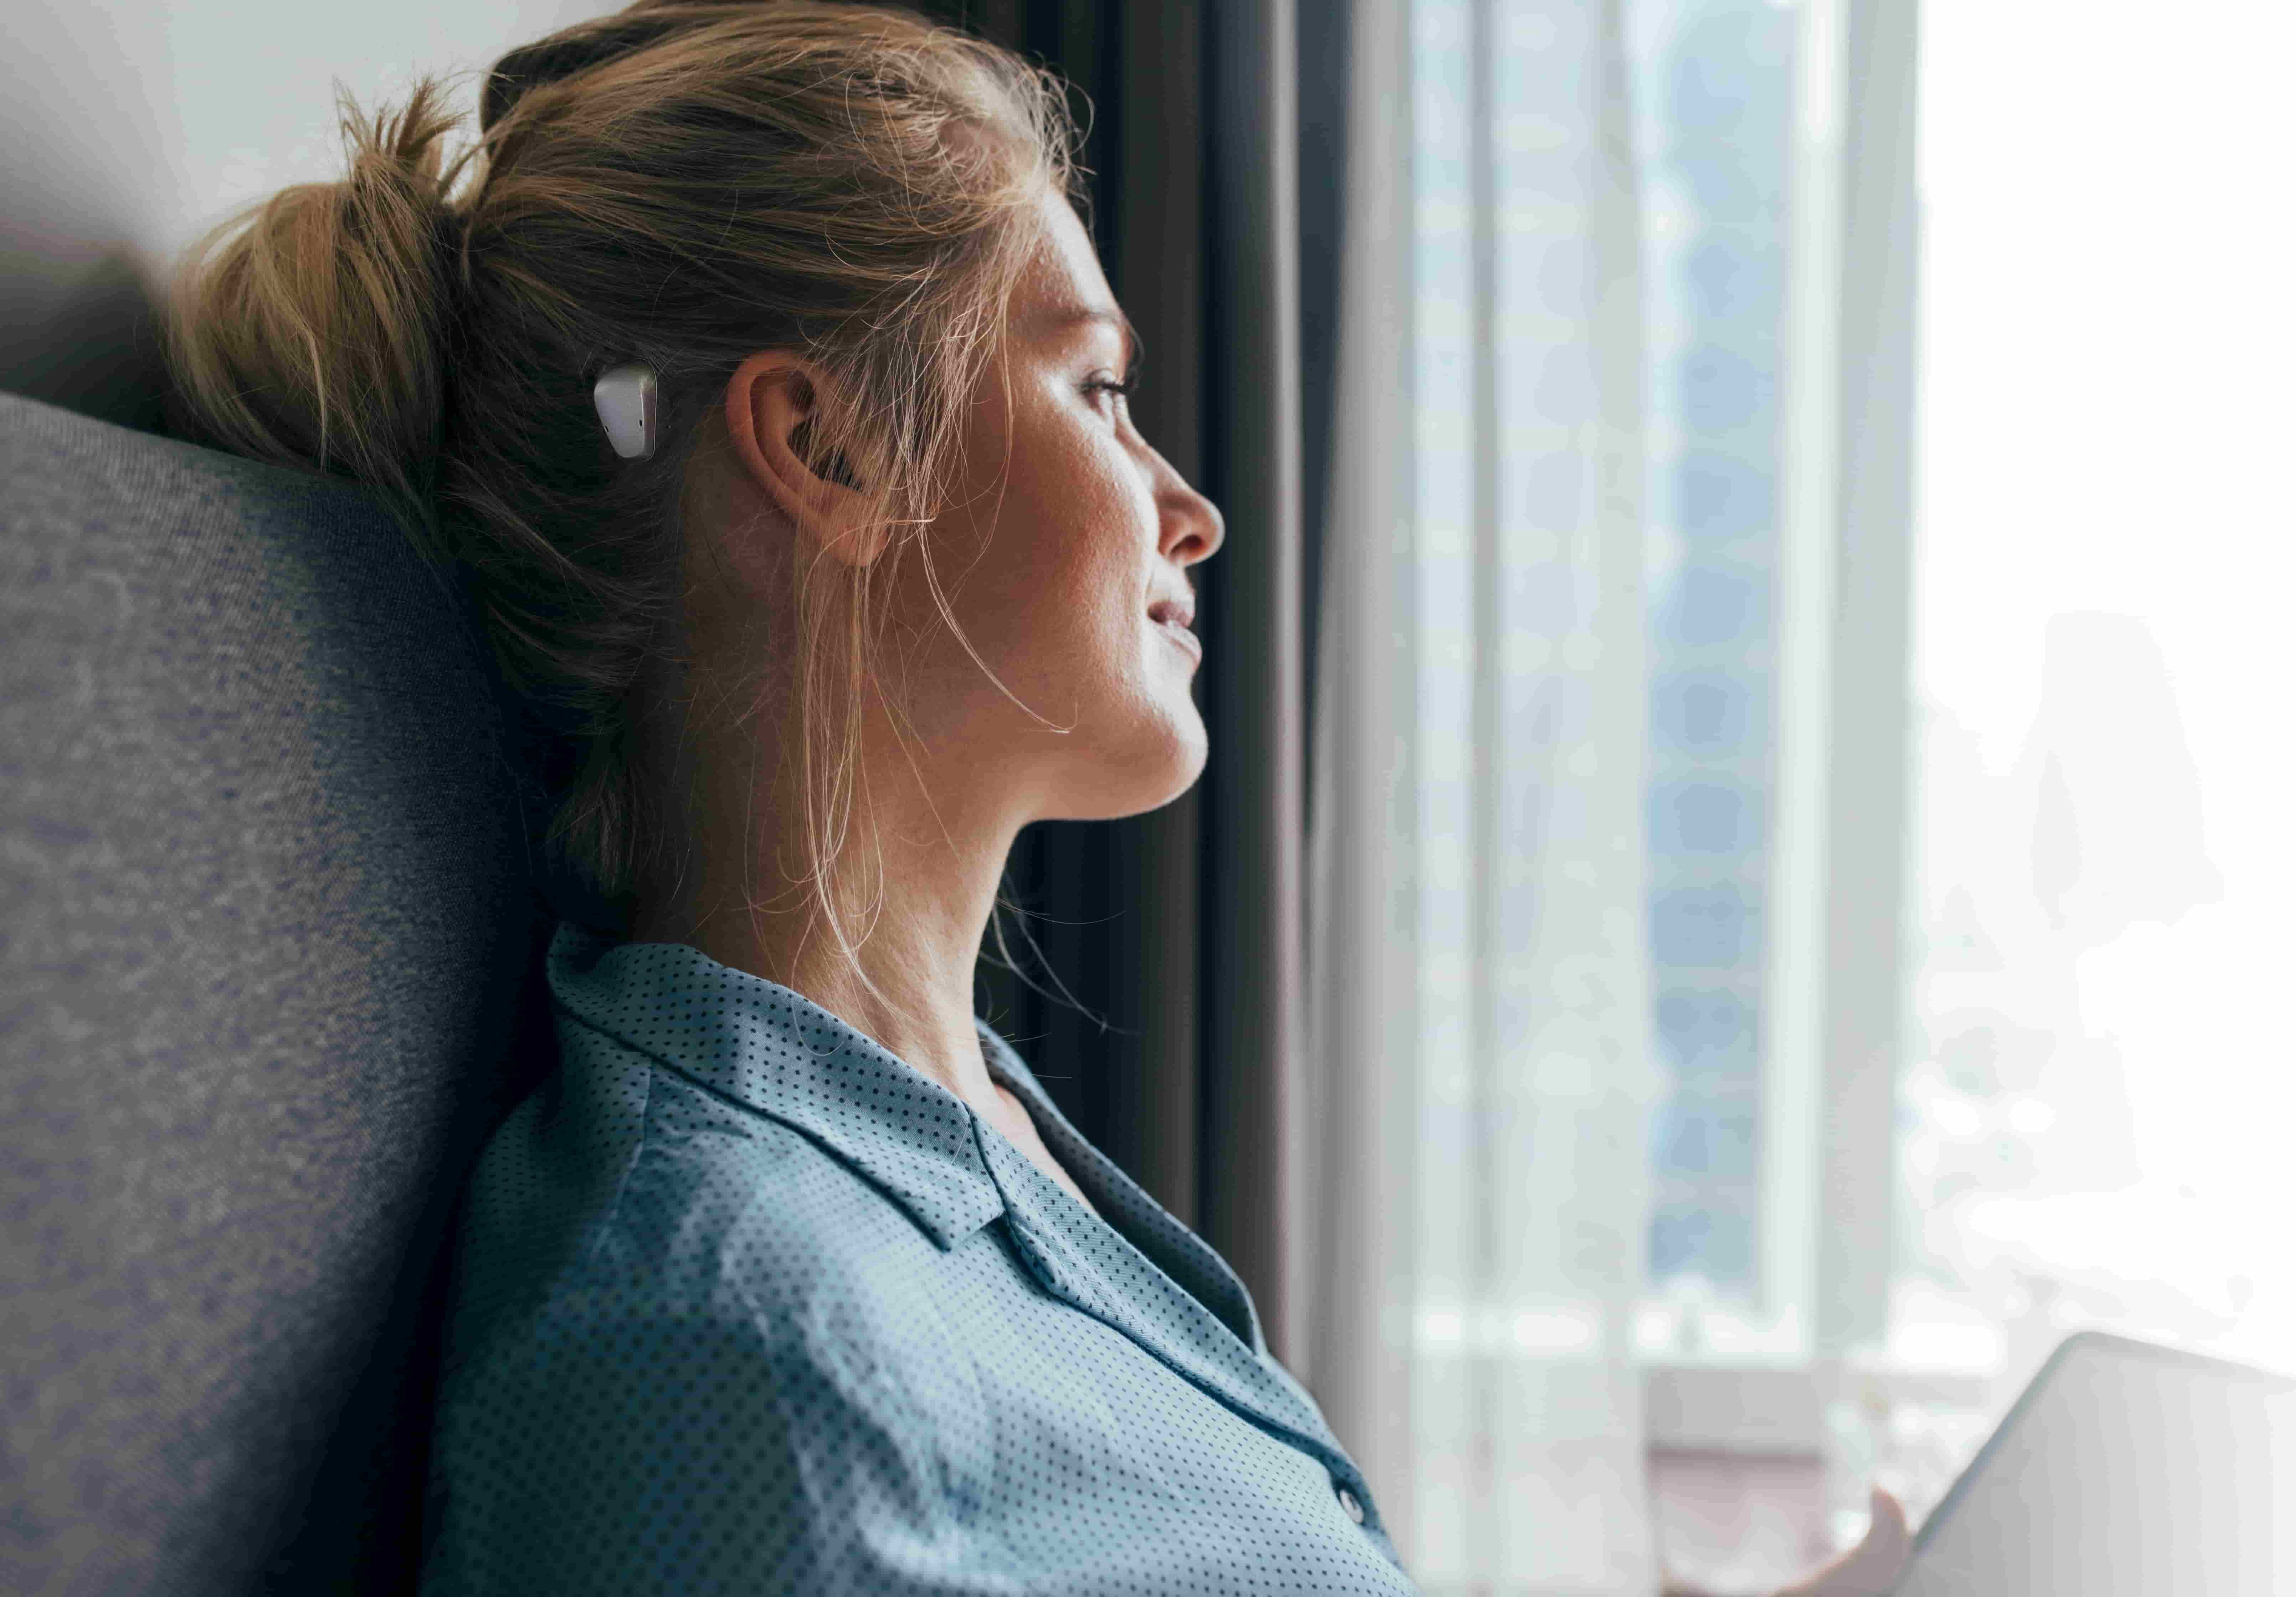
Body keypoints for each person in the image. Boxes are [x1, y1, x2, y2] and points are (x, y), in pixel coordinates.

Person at [165, 2, 1912, 1591]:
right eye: (1095, 386)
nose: (1188, 506)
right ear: (831, 450)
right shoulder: (721, 1335)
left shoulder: (966, 1148)